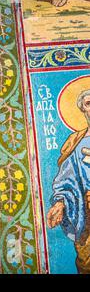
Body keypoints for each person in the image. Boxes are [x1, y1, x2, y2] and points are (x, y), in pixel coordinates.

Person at [47, 89, 90, 274]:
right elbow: (67, 178)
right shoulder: (75, 141)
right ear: (83, 109)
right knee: (86, 260)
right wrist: (61, 202)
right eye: (88, 104)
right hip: (86, 209)